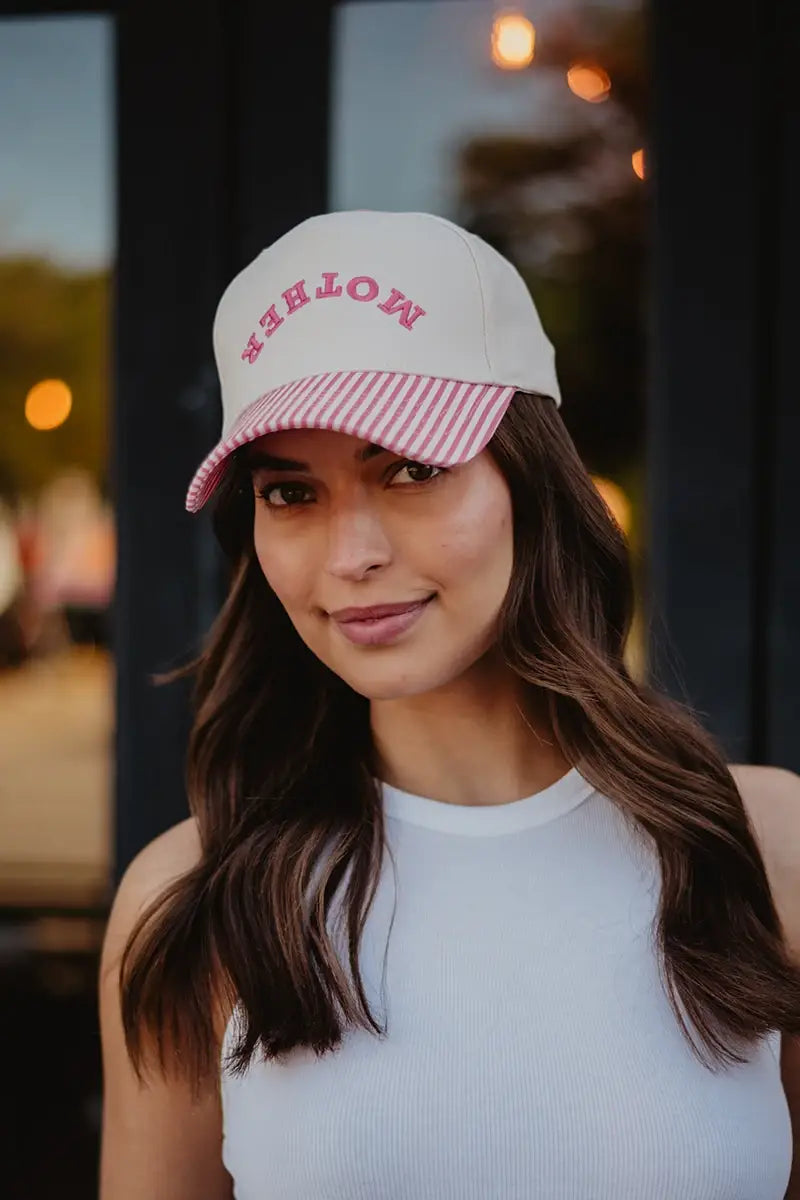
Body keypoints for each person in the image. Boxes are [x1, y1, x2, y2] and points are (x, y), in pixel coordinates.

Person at [98, 210, 800, 1199]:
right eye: (290, 494)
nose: (352, 556)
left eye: (413, 471)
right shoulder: (192, 900)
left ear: (532, 481)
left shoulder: (763, 848)